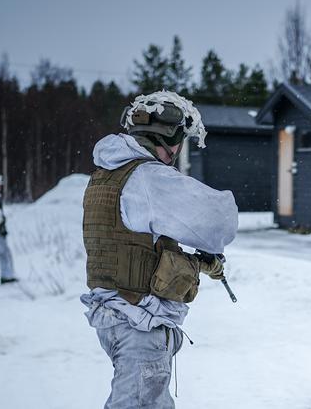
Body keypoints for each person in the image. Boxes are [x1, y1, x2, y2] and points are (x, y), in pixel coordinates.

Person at [80, 90, 238, 408]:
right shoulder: (148, 178)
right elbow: (218, 223)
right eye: (179, 140)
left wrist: (194, 263)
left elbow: (138, 245)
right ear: (167, 137)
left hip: (115, 317)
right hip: (138, 324)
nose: (178, 150)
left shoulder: (105, 176)